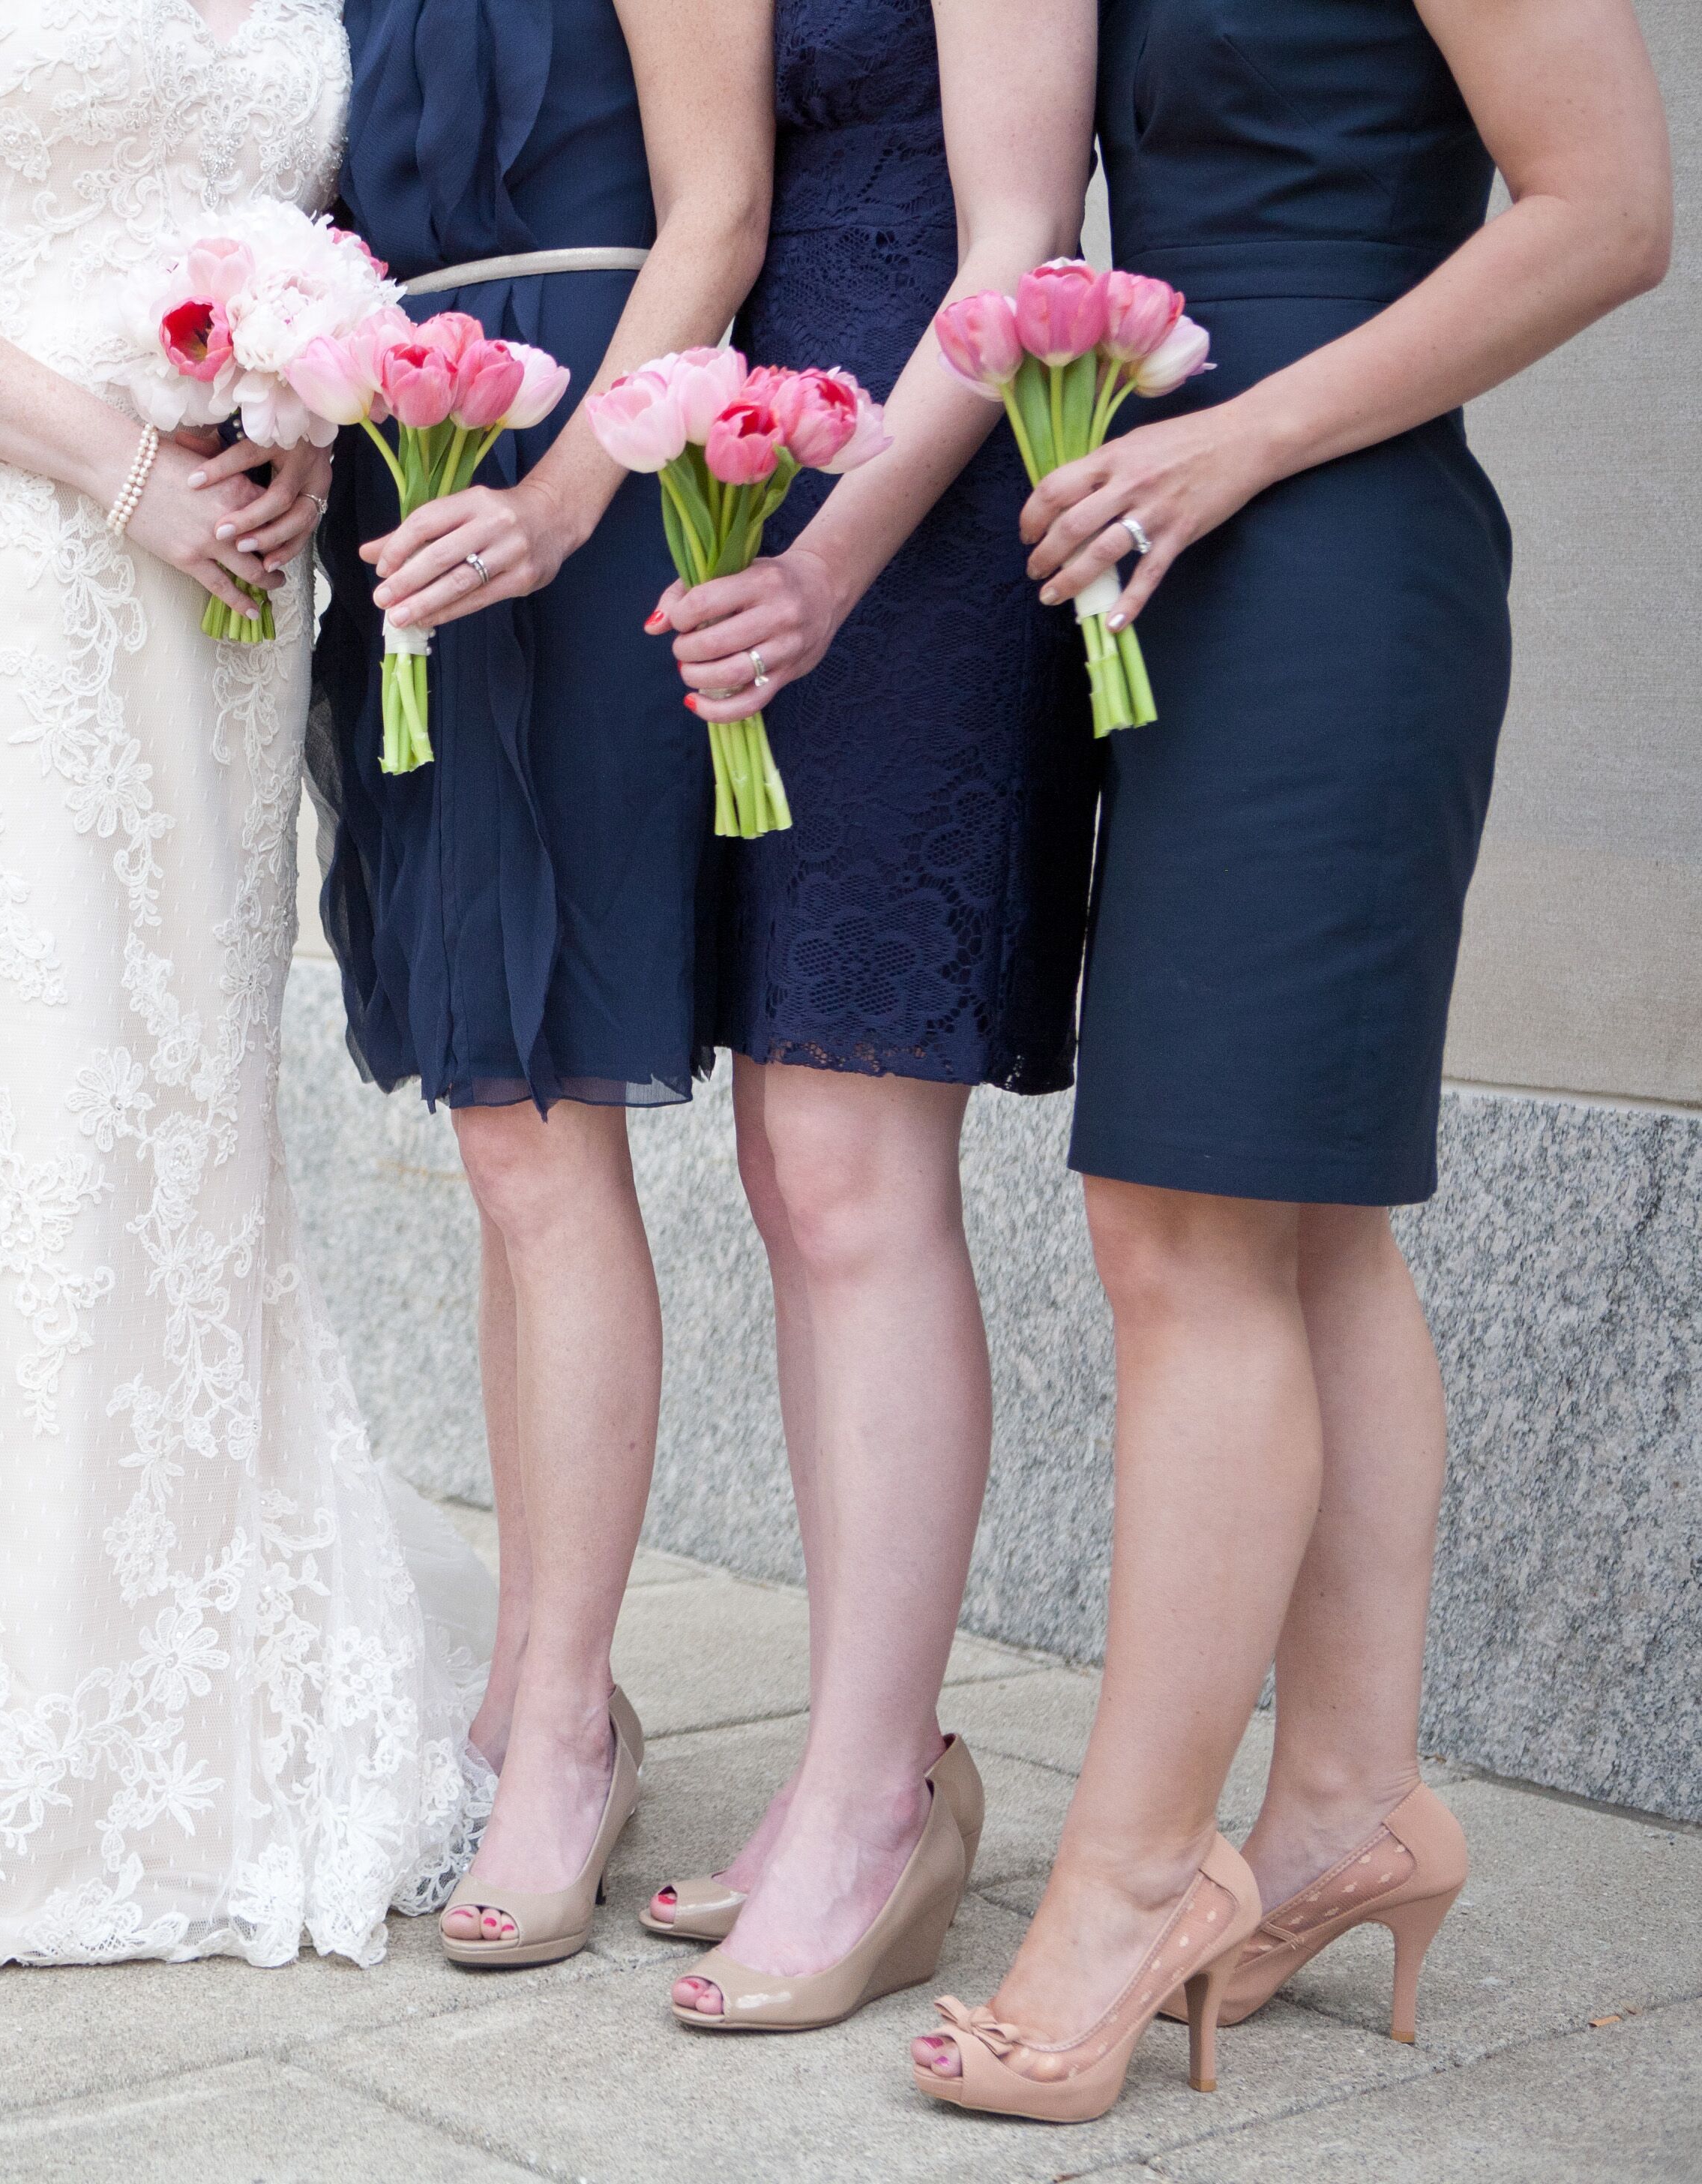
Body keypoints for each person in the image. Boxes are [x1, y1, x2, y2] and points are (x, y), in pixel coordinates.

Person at [910, 0, 1670, 2122]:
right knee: (1299, 1215)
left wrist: (1240, 438)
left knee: (1183, 1225)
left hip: (1330, 551)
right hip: (1169, 562)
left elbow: (1610, 212)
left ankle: (1139, 1882)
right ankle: (1346, 1809)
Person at [0, 0, 495, 1968]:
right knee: (25, 1124)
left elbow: (308, 236)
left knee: (188, 1123)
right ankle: (10, 1752)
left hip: (226, 580)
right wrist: (118, 465)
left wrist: (298, 417)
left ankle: (208, 1723)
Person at [627, 0, 1098, 2032]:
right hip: (762, 489)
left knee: (850, 1162)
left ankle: (874, 1812)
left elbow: (1019, 236)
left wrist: (826, 557)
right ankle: (865, 1763)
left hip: (909, 501)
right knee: (789, 1158)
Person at [313, 0, 772, 1967]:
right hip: (403, 469)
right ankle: (522, 1683)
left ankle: (570, 1716)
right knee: (492, 1108)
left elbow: (722, 206)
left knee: (544, 1108)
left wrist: (567, 495)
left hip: (580, 463)